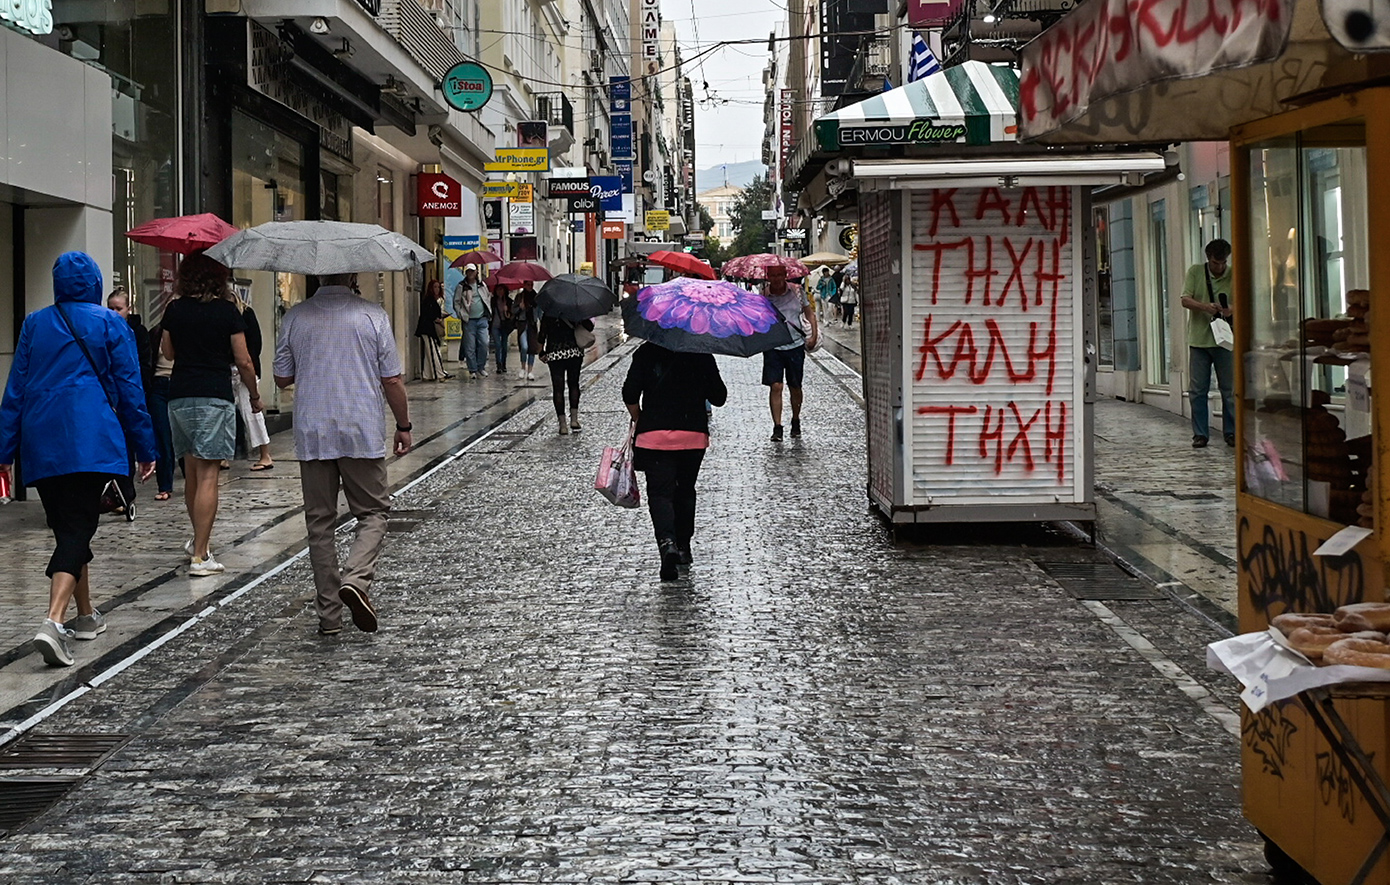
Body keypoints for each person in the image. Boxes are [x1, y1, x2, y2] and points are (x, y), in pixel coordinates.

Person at [0, 252, 157, 667]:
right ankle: (52, 622)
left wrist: (4, 451)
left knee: (69, 527)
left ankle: (85, 616)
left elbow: (15, 390)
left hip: (43, 440)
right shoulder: (111, 323)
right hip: (93, 440)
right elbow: (129, 389)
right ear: (93, 283)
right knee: (77, 530)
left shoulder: (35, 323)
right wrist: (145, 448)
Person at [274, 272, 412, 635]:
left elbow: (281, 378)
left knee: (319, 524)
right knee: (373, 512)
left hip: (313, 432)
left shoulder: (295, 317)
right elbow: (392, 380)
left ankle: (330, 618)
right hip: (360, 431)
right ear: (352, 275)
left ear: (318, 274)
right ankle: (356, 577)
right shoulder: (373, 316)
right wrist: (404, 424)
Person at [160, 250, 262, 576]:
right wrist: (255, 395)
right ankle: (201, 556)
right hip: (213, 396)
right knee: (209, 475)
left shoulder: (174, 309)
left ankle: (196, 541)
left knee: (191, 471)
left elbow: (168, 352)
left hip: (179, 396)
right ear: (219, 277)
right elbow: (244, 360)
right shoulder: (227, 312)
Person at [622, 342, 728, 581]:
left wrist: (641, 418)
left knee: (660, 493)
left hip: (654, 436)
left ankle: (666, 542)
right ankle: (683, 546)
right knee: (686, 490)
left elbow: (629, 393)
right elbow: (719, 397)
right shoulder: (701, 353)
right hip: (692, 435)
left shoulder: (645, 352)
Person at [1180, 238, 1235, 449]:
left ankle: (1231, 432)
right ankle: (1200, 434)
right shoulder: (1195, 272)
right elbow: (1185, 299)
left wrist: (1230, 309)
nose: (1220, 267)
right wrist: (1205, 307)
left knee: (1229, 390)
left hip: (1226, 340)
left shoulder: (1233, 274)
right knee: (1198, 390)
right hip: (1199, 340)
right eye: (1215, 263)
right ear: (1208, 259)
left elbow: (1244, 300)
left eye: (1223, 263)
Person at [762, 263, 818, 441]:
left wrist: (813, 335)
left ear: (785, 275)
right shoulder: (764, 295)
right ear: (768, 276)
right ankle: (777, 426)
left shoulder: (797, 291)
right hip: (773, 346)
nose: (776, 279)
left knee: (795, 386)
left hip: (795, 345)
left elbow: (809, 314)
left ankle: (795, 419)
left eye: (780, 275)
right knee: (776, 386)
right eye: (773, 275)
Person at [106, 288, 149, 511]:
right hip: (109, 401)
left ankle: (124, 494)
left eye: (119, 308)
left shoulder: (136, 333)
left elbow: (137, 371)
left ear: (128, 310)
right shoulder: (102, 329)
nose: (114, 312)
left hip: (126, 399)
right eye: (111, 308)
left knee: (126, 447)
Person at [233, 296, 274, 470]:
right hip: (234, 368)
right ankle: (264, 455)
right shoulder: (242, 313)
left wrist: (250, 367)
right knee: (241, 413)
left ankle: (265, 454)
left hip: (242, 368)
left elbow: (255, 344)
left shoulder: (246, 313)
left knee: (251, 413)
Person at [537, 312, 593, 435]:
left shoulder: (549, 313)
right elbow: (589, 326)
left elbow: (542, 334)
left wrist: (541, 352)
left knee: (558, 388)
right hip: (574, 352)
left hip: (555, 353)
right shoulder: (575, 310)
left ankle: (562, 425)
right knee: (574, 384)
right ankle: (574, 419)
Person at [144, 312, 176, 501]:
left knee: (180, 438)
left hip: (180, 384)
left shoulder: (187, 333)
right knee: (162, 437)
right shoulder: (155, 333)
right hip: (158, 385)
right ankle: (165, 485)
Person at [452, 264, 490, 379]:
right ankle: (472, 369)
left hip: (482, 319)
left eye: (472, 271)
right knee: (470, 347)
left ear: (476, 272)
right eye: (468, 271)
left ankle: (481, 367)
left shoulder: (482, 285)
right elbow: (456, 302)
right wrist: (461, 314)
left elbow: (487, 297)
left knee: (484, 343)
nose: (470, 273)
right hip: (469, 321)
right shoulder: (461, 286)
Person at [414, 280, 448, 382]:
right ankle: (440, 374)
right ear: (431, 288)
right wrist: (437, 319)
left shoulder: (432, 300)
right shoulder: (429, 301)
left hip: (428, 329)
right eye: (435, 287)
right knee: (434, 351)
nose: (437, 289)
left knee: (430, 351)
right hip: (428, 329)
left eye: (438, 287)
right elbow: (430, 314)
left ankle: (427, 374)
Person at [512, 282, 539, 380]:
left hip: (532, 324)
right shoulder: (520, 297)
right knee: (524, 346)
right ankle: (523, 368)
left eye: (531, 284)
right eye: (528, 284)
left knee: (532, 347)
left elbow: (539, 311)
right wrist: (520, 307)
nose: (530, 286)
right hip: (522, 323)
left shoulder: (536, 297)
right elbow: (513, 310)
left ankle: (530, 371)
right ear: (524, 285)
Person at [490, 283, 514, 375]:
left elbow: (511, 316)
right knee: (498, 345)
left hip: (505, 326)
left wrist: (506, 311)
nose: (499, 292)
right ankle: (498, 365)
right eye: (498, 290)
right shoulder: (493, 301)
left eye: (501, 289)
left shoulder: (508, 301)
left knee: (504, 346)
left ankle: (504, 363)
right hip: (495, 325)